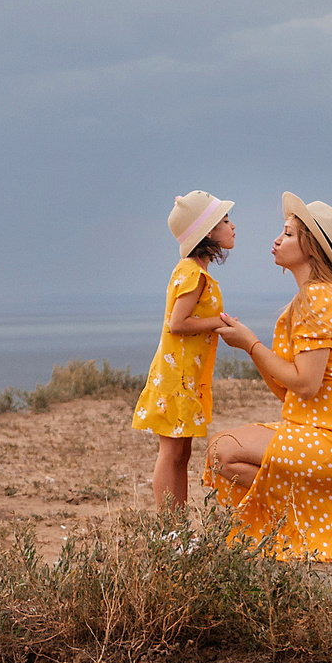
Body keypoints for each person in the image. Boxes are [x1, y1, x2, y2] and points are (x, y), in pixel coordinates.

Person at [207, 193, 332, 560]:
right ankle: (311, 525)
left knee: (223, 451)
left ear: (310, 247)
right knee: (225, 450)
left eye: (289, 234)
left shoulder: (316, 298)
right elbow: (290, 389)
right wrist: (250, 347)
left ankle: (298, 529)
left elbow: (305, 384)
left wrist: (252, 344)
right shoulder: (314, 297)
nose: (277, 240)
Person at [129, 190, 238, 509]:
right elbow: (178, 323)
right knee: (172, 452)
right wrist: (219, 323)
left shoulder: (197, 272)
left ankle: (176, 529)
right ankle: (168, 532)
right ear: (207, 233)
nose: (233, 227)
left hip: (186, 378)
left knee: (182, 453)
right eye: (226, 221)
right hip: (176, 380)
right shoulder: (192, 273)